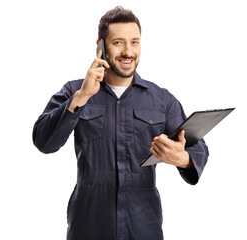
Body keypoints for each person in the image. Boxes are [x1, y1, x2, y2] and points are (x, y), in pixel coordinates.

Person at [33, 6, 209, 240]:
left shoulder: (161, 99)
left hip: (143, 227)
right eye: (118, 42)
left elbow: (197, 147)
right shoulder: (74, 91)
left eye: (135, 42)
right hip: (89, 227)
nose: (128, 51)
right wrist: (81, 98)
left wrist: (183, 160)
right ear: (101, 45)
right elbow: (43, 142)